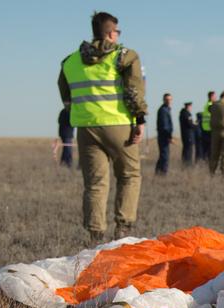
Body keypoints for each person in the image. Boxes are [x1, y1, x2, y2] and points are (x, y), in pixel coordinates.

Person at [57, 11, 146, 243]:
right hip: (118, 125)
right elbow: (134, 90)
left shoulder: (70, 61)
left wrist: (79, 112)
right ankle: (123, 229)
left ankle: (95, 235)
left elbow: (66, 96)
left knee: (95, 183)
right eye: (117, 31)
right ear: (110, 33)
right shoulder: (125, 56)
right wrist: (140, 119)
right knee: (129, 175)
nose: (118, 35)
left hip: (86, 128)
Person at [155, 92, 173, 175]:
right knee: (164, 156)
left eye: (170, 99)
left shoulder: (166, 109)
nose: (168, 101)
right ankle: (162, 174)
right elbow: (165, 126)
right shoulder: (163, 110)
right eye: (167, 100)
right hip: (163, 136)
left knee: (163, 155)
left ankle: (158, 173)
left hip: (164, 136)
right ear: (163, 100)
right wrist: (169, 136)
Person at [198, 90, 216, 163]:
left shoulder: (207, 104)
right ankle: (209, 162)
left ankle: (206, 161)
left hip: (205, 128)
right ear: (211, 97)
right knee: (210, 148)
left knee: (206, 148)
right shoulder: (210, 105)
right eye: (215, 96)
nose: (216, 98)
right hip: (209, 129)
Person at [179, 101, 196, 166]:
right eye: (190, 106)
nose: (191, 108)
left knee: (186, 149)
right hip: (188, 135)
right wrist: (196, 126)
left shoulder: (182, 113)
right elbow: (190, 124)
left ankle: (186, 163)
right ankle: (188, 164)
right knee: (188, 150)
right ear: (188, 106)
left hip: (185, 135)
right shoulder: (186, 114)